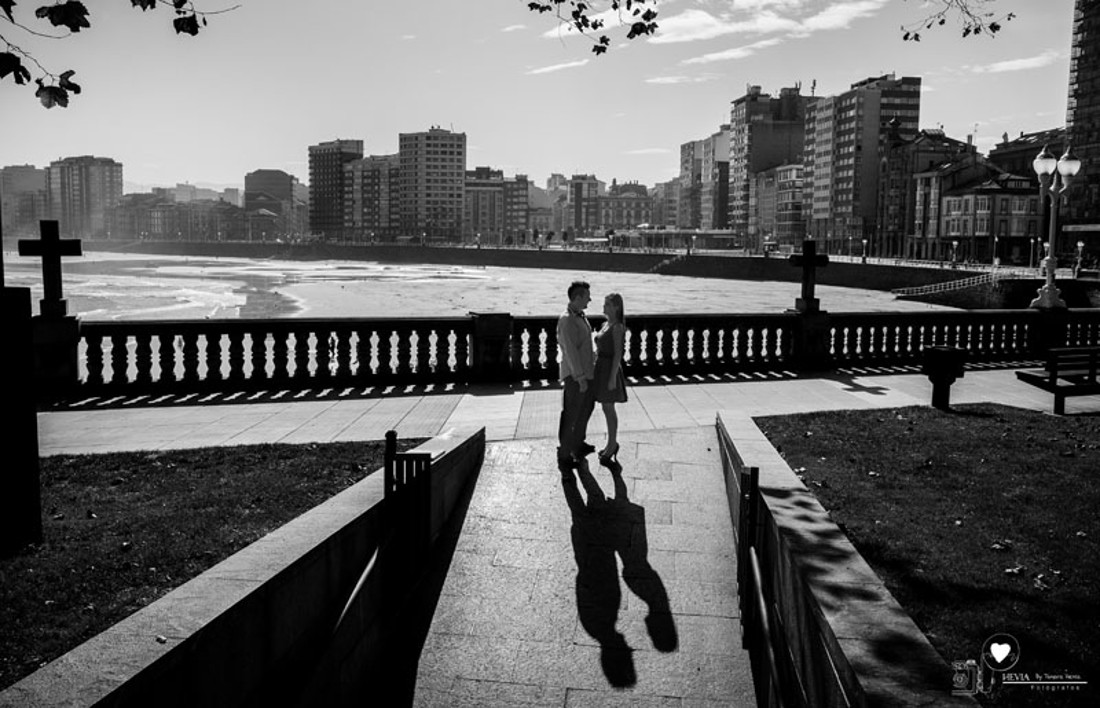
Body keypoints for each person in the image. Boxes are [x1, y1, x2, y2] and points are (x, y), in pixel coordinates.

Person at [557, 280, 596, 466]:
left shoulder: (579, 315)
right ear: (578, 297)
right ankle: (564, 455)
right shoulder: (567, 319)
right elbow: (570, 352)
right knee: (572, 414)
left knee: (585, 411)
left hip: (586, 374)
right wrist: (580, 378)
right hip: (575, 377)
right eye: (587, 296)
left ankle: (577, 445)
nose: (590, 299)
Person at [594, 292, 627, 464]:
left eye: (607, 304)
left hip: (609, 370)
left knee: (609, 408)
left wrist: (613, 377)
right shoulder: (606, 324)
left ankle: (612, 443)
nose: (604, 306)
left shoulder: (617, 327)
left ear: (616, 307)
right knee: (606, 408)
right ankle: (610, 444)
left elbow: (617, 355)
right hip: (601, 368)